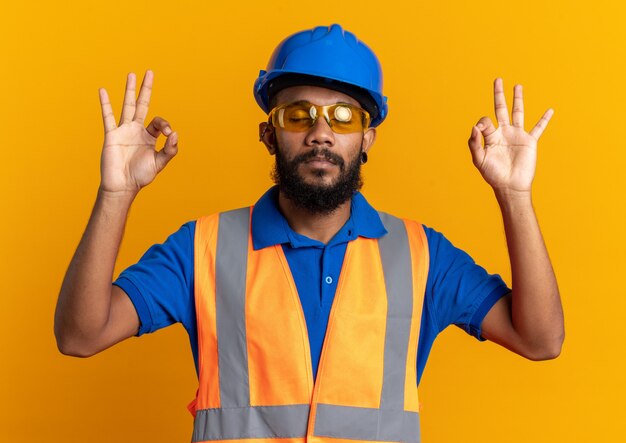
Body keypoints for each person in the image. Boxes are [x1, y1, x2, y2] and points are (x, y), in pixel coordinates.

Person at [55, 24, 564, 442]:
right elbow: (80, 335)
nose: (320, 132)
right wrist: (116, 195)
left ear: (367, 137)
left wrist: (514, 197)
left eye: (342, 116)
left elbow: (541, 340)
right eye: (299, 114)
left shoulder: (421, 255)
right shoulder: (202, 249)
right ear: (269, 133)